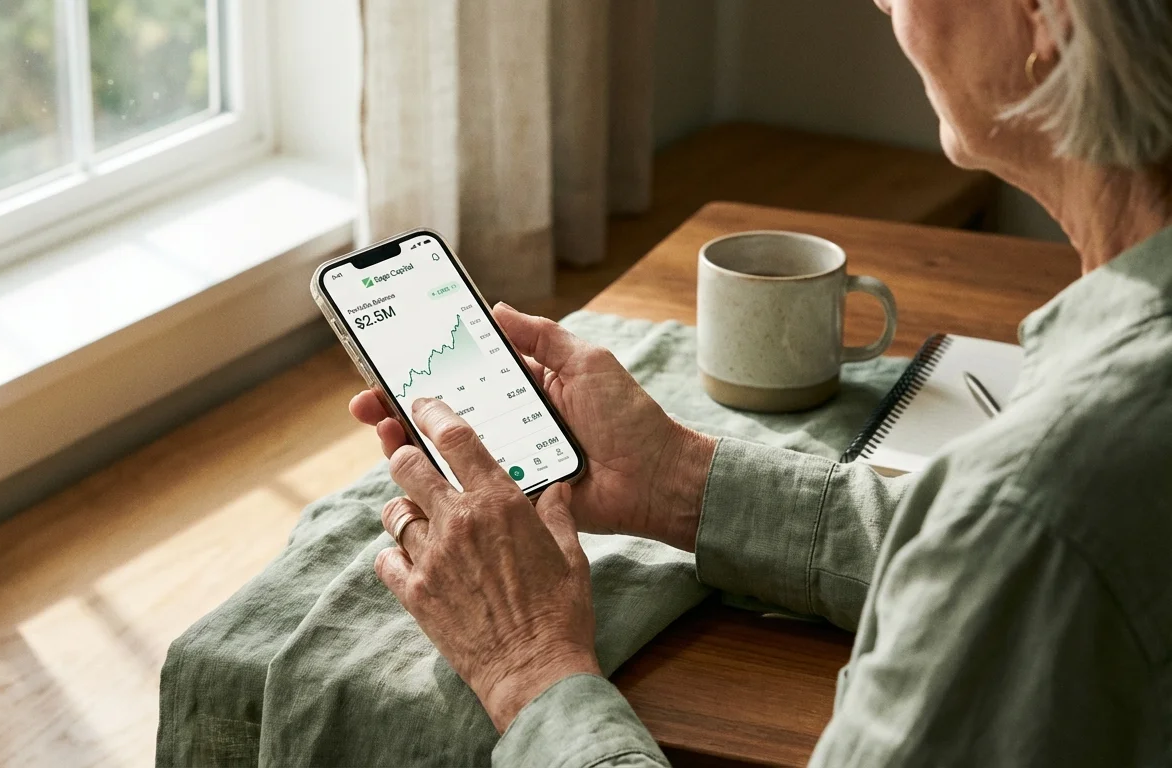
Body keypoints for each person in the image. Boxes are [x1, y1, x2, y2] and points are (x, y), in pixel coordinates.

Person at [347, 0, 1172, 764]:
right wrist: (676, 479)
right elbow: (999, 555)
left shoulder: (1034, 509)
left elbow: (1016, 540)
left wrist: (527, 669)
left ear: (1049, 15)